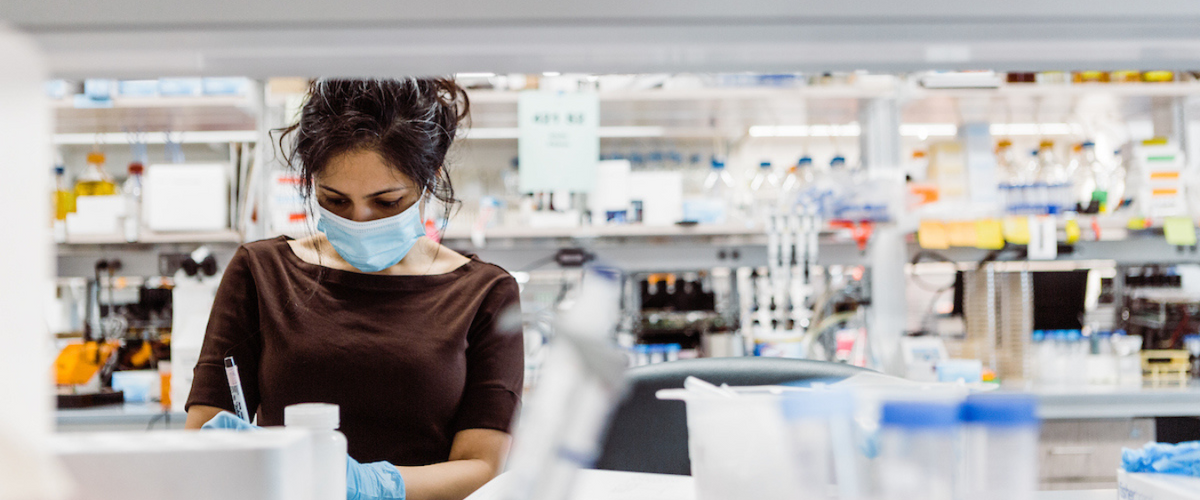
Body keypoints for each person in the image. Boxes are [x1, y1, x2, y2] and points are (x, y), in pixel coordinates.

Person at [184, 78, 524, 500]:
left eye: (387, 202)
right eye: (335, 201)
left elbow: (482, 468)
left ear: (429, 180)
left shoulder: (485, 294)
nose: (360, 220)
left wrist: (374, 486)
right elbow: (204, 435)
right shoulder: (261, 272)